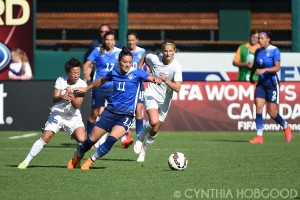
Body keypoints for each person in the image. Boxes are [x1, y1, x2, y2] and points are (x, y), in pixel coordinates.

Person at [66, 47, 162, 170]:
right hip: (109, 112)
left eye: (129, 62)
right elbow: (101, 80)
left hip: (126, 116)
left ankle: (91, 161)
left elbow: (150, 77)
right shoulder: (114, 72)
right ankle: (77, 157)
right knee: (91, 140)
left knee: (111, 139)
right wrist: (86, 89)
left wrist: (156, 79)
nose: (127, 65)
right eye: (124, 62)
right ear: (119, 62)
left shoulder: (137, 73)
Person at [18, 58, 87, 169]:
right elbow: (54, 98)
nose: (76, 75)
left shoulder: (82, 84)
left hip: (73, 117)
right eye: (73, 73)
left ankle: (76, 160)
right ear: (68, 72)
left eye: (78, 73)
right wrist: (62, 96)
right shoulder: (60, 80)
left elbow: (77, 105)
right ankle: (25, 162)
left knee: (82, 140)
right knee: (46, 136)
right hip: (57, 114)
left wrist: (72, 97)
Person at [133, 40, 183, 162]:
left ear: (174, 52)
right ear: (162, 51)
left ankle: (143, 152)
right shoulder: (155, 59)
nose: (168, 53)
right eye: (165, 51)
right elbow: (144, 57)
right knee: (153, 121)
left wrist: (166, 80)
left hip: (165, 100)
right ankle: (140, 137)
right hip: (151, 93)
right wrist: (139, 71)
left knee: (155, 130)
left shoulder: (176, 67)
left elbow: (177, 88)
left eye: (170, 51)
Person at [249, 31, 293, 144]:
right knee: (259, 108)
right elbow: (255, 65)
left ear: (268, 39)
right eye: (259, 38)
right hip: (261, 84)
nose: (259, 40)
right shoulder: (258, 51)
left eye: (262, 38)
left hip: (272, 85)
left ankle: (286, 126)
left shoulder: (275, 50)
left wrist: (265, 70)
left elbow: (277, 68)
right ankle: (259, 136)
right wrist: (251, 75)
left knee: (272, 113)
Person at [122, 31, 147, 146]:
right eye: (129, 40)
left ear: (137, 40)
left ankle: (139, 139)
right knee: (125, 110)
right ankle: (124, 136)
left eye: (133, 40)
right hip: (126, 85)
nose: (131, 42)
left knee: (139, 112)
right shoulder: (123, 52)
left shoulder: (142, 52)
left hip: (138, 85)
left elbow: (148, 64)